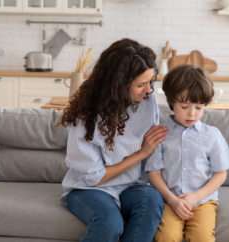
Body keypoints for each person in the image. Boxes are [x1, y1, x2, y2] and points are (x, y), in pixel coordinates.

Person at [58, 38, 167, 242]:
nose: (149, 91)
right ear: (117, 83)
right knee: (109, 223)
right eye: (141, 85)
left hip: (132, 187)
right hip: (90, 189)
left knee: (152, 200)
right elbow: (94, 178)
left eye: (150, 82)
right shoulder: (85, 116)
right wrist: (141, 153)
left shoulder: (145, 100)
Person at [145, 64, 229, 242]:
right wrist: (172, 200)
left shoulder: (212, 135)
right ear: (172, 102)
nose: (192, 114)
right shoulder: (160, 134)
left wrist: (196, 196)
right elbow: (154, 173)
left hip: (202, 201)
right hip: (169, 200)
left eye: (199, 107)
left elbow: (220, 174)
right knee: (166, 236)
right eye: (185, 106)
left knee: (202, 237)